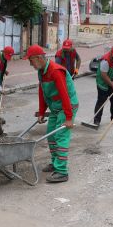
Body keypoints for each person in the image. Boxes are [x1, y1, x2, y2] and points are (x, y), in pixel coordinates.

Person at [25, 45, 78, 183]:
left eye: (31, 61)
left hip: (67, 106)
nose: (30, 64)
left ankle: (62, 171)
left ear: (38, 58)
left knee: (61, 136)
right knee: (51, 134)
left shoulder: (55, 71)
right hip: (56, 107)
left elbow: (64, 94)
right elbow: (42, 92)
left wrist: (68, 118)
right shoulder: (41, 72)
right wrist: (41, 112)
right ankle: (56, 163)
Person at [92, 45, 113, 127]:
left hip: (112, 81)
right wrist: (112, 85)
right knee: (101, 102)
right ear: (111, 53)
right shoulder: (105, 61)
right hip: (102, 83)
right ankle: (96, 120)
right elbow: (104, 75)